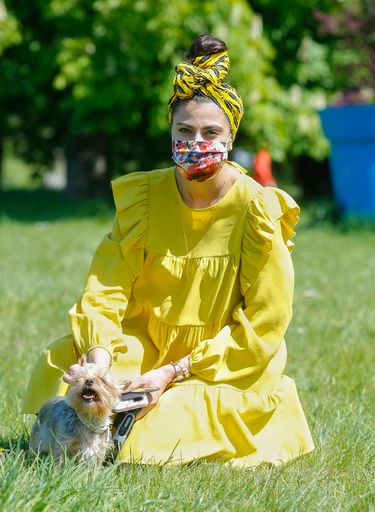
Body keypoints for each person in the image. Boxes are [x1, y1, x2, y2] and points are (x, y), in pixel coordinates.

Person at [23, 34, 314, 467]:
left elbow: (265, 323)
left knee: (161, 425)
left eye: (210, 132)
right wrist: (100, 354)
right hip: (145, 341)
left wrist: (175, 371)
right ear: (171, 132)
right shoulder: (143, 197)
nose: (196, 142)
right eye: (185, 131)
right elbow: (106, 288)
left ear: (231, 138)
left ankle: (137, 429)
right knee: (74, 364)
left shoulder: (256, 207)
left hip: (221, 359)